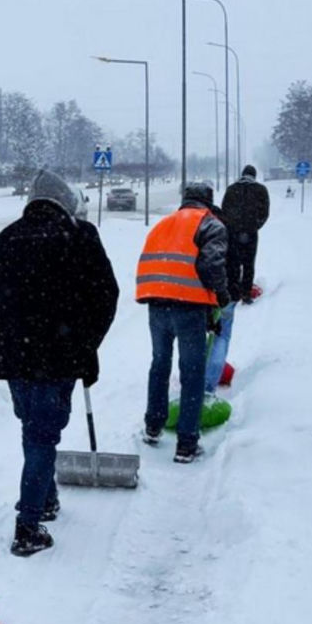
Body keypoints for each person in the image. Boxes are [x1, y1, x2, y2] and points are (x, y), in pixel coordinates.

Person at [0, 169, 118, 556]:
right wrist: (86, 344)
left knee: (33, 429)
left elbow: (3, 294)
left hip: (16, 356)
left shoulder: (7, 237)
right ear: (64, 201)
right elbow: (106, 296)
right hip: (58, 356)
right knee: (42, 436)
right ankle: (28, 527)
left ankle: (45, 498)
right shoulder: (80, 236)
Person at [137, 182, 229, 463]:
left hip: (156, 303)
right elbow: (211, 265)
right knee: (192, 373)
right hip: (188, 308)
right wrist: (221, 296)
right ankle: (187, 443)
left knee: (159, 364)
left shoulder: (163, 224)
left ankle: (153, 426)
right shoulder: (211, 225)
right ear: (208, 202)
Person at [221, 164, 270, 304]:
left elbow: (224, 211)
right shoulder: (261, 190)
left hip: (233, 233)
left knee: (233, 262)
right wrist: (254, 226)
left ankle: (233, 291)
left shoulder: (231, 189)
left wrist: (231, 227)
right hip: (250, 233)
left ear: (242, 174)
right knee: (249, 263)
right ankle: (246, 293)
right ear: (254, 176)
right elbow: (265, 213)